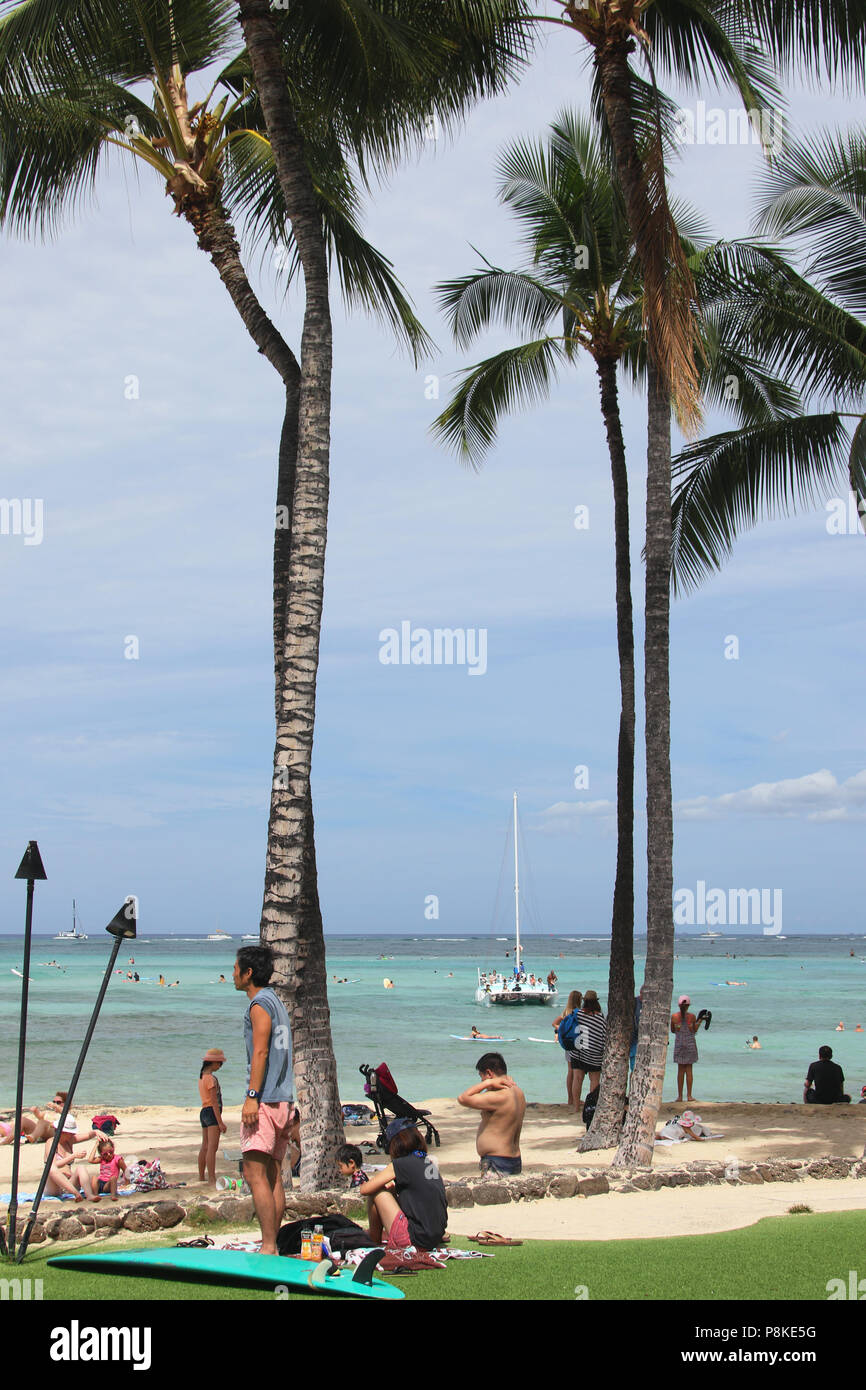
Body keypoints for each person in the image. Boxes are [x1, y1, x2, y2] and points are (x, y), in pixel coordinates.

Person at [233, 944, 294, 1255]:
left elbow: (260, 1051)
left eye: (235, 968)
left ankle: (269, 1246)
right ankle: (273, 1243)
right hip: (284, 1100)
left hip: (266, 1100)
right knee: (273, 1175)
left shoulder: (259, 1004)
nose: (232, 973)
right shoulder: (277, 1002)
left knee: (254, 1173)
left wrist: (251, 1097)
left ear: (248, 973)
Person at [359, 1118, 447, 1253]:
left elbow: (365, 1189)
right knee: (391, 1188)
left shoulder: (401, 1164)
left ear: (395, 1144)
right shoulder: (427, 1162)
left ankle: (373, 1240)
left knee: (377, 1192)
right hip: (433, 1237)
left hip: (414, 1240)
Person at [457, 1052, 526, 1175]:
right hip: (514, 1159)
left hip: (497, 1161)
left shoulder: (497, 1097)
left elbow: (463, 1098)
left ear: (489, 1073)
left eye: (481, 1077)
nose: (481, 1081)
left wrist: (488, 1083)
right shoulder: (518, 1092)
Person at [571, 989, 607, 1108]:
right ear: (596, 1002)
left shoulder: (577, 1014)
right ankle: (591, 1106)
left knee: (577, 1079)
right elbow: (603, 1036)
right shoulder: (600, 1017)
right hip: (594, 1053)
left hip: (578, 1051)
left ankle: (576, 1106)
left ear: (584, 1002)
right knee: (594, 1080)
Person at [198, 1047, 227, 1185]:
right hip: (211, 1112)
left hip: (203, 1111)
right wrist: (220, 1122)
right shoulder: (211, 1079)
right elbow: (215, 1102)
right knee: (212, 1147)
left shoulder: (202, 1076)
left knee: (205, 1145)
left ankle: (201, 1176)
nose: (220, 1066)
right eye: (219, 1063)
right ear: (213, 1063)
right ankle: (211, 1178)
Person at [671, 994, 708, 1104]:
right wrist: (700, 1020)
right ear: (688, 1006)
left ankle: (679, 1097)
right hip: (690, 1044)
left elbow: (673, 1030)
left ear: (679, 1005)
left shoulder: (674, 1017)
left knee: (680, 1071)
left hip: (679, 1044)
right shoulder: (692, 1017)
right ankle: (689, 1096)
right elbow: (694, 1030)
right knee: (689, 1070)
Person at [552, 990, 583, 1108]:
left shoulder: (566, 1012)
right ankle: (576, 1099)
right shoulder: (579, 1012)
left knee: (570, 1071)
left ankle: (570, 1098)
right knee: (577, 1072)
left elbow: (554, 1023)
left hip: (568, 1044)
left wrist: (563, 1029)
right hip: (578, 1043)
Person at [83, 1136, 128, 1200]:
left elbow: (125, 1170)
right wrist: (96, 1146)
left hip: (109, 1184)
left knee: (113, 1178)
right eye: (105, 1154)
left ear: (113, 1149)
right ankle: (95, 1195)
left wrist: (127, 1183)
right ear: (101, 1154)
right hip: (100, 1182)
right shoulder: (102, 1159)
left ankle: (113, 1196)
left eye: (111, 1152)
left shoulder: (117, 1159)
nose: (109, 1155)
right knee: (94, 1177)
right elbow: (90, 1160)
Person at [629, 986, 644, 1075]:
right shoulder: (634, 1002)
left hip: (646, 1040)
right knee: (634, 1069)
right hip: (634, 1040)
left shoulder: (651, 1004)